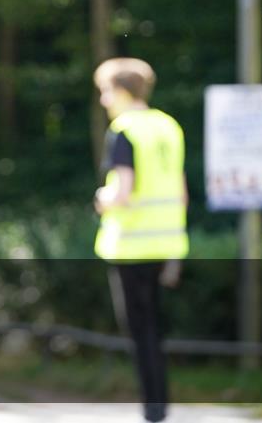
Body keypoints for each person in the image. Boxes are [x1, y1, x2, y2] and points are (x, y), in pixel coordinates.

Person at [92, 57, 189, 423]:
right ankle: (160, 404)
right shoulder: (168, 126)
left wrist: (101, 199)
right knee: (156, 329)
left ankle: (153, 409)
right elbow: (181, 193)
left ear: (121, 91)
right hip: (167, 244)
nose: (103, 100)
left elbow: (123, 192)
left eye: (106, 91)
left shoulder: (124, 129)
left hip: (131, 246)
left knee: (139, 331)